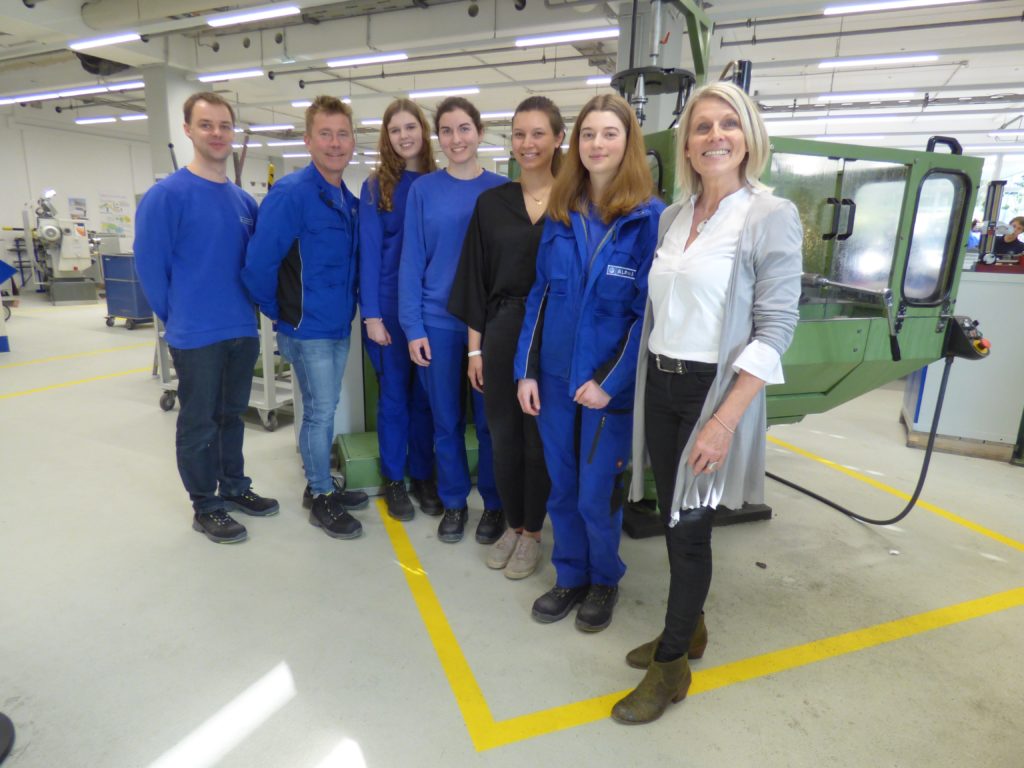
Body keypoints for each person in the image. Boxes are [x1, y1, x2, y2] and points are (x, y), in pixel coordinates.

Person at [611, 82, 803, 724]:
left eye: (729, 124)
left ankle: (671, 667)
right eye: (701, 127)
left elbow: (775, 327)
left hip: (709, 393)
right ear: (686, 144)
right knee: (673, 517)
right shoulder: (673, 216)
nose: (714, 136)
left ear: (749, 136)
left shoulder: (768, 215)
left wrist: (724, 419)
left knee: (690, 532)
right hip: (661, 383)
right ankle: (688, 629)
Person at [514, 93, 665, 631]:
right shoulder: (562, 212)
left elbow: (644, 316)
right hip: (554, 381)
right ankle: (570, 575)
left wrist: (609, 381)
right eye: (588, 135)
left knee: (598, 494)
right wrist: (524, 371)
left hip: (607, 391)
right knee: (563, 487)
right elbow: (540, 296)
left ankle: (604, 579)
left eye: (609, 134)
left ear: (628, 144)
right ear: (575, 145)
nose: (597, 144)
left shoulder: (649, 222)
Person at [135, 91, 279, 544]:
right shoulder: (166, 195)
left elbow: (257, 263)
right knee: (199, 421)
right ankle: (205, 504)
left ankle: (234, 487)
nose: (217, 133)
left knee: (232, 415)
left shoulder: (242, 202)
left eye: (224, 125)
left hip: (241, 328)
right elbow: (150, 267)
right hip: (196, 333)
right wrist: (178, 316)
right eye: (206, 125)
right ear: (189, 130)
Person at [448, 96, 564, 579]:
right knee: (502, 434)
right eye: (519, 134)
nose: (527, 143)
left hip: (553, 332)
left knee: (541, 438)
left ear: (558, 138)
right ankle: (514, 525)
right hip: (501, 328)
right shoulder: (491, 204)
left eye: (538, 133)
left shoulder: (574, 201)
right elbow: (474, 279)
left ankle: (534, 531)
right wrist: (475, 348)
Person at [243, 95, 368, 541]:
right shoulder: (291, 194)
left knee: (324, 409)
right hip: (307, 326)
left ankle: (319, 484)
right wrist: (282, 315)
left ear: (353, 140)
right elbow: (258, 266)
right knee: (318, 413)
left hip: (337, 324)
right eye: (326, 134)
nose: (336, 143)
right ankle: (320, 495)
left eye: (343, 134)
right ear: (308, 140)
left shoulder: (344, 198)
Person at [398, 96, 505, 545]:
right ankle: (455, 502)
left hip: (491, 324)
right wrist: (413, 327)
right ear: (437, 138)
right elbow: (411, 260)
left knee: (490, 422)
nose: (456, 139)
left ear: (479, 133)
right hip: (438, 322)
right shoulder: (423, 190)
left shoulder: (503, 190)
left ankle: (495, 506)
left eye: (464, 128)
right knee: (445, 419)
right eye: (446, 130)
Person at [359, 99, 442, 522]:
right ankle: (395, 479)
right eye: (395, 130)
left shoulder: (438, 183)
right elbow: (370, 253)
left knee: (426, 398)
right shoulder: (377, 187)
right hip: (389, 310)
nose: (404, 135)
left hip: (430, 310)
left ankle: (424, 474)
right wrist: (372, 316)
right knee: (394, 397)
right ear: (386, 137)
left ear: (423, 132)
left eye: (411, 127)